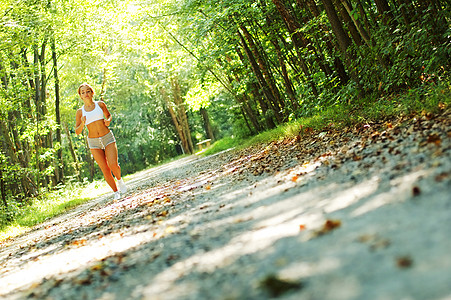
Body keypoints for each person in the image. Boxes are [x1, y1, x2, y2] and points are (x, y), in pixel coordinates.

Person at [75, 82, 127, 200]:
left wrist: (108, 120)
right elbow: (77, 131)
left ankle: (119, 180)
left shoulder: (100, 105)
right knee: (105, 168)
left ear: (92, 92)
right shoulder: (80, 112)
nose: (86, 94)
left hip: (107, 137)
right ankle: (116, 192)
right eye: (83, 92)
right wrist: (83, 123)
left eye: (88, 91)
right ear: (81, 96)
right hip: (93, 142)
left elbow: (108, 116)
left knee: (113, 164)